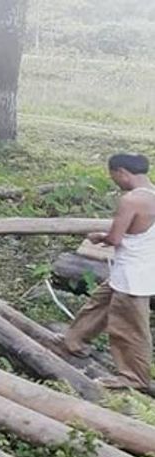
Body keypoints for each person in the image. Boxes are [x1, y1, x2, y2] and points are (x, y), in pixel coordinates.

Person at [62, 153, 155, 390]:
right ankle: (74, 341)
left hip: (132, 275)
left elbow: (115, 237)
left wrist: (99, 237)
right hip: (140, 268)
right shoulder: (152, 194)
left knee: (128, 328)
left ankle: (134, 377)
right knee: (98, 304)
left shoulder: (132, 200)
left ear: (122, 172)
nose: (114, 181)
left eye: (113, 176)